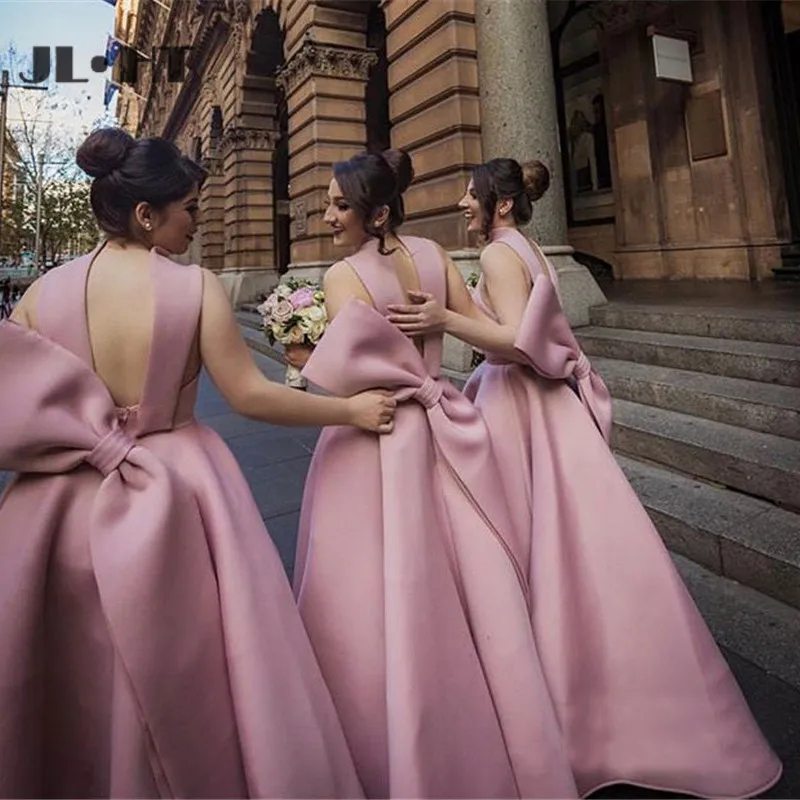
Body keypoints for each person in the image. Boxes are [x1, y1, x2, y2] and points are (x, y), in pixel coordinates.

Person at [0, 127, 397, 798]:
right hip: (180, 489)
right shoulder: (194, 288)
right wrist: (351, 411)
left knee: (78, 676)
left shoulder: (42, 294)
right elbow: (248, 396)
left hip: (60, 507)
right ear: (146, 214)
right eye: (187, 208)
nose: (196, 221)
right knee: (205, 666)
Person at [386, 157, 782, 798]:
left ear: (502, 203)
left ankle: (554, 706)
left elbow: (515, 342)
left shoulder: (496, 256)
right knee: (580, 554)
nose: (462, 203)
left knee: (528, 550)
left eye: (470, 194)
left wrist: (444, 321)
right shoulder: (529, 248)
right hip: (549, 407)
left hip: (520, 403)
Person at [290, 150, 579, 798]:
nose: (329, 215)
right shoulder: (433, 256)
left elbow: (346, 375)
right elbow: (495, 337)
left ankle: (397, 741)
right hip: (444, 423)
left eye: (340, 204)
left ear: (378, 211)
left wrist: (297, 351)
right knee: (470, 583)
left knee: (374, 599)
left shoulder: (341, 278)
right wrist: (441, 328)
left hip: (377, 437)